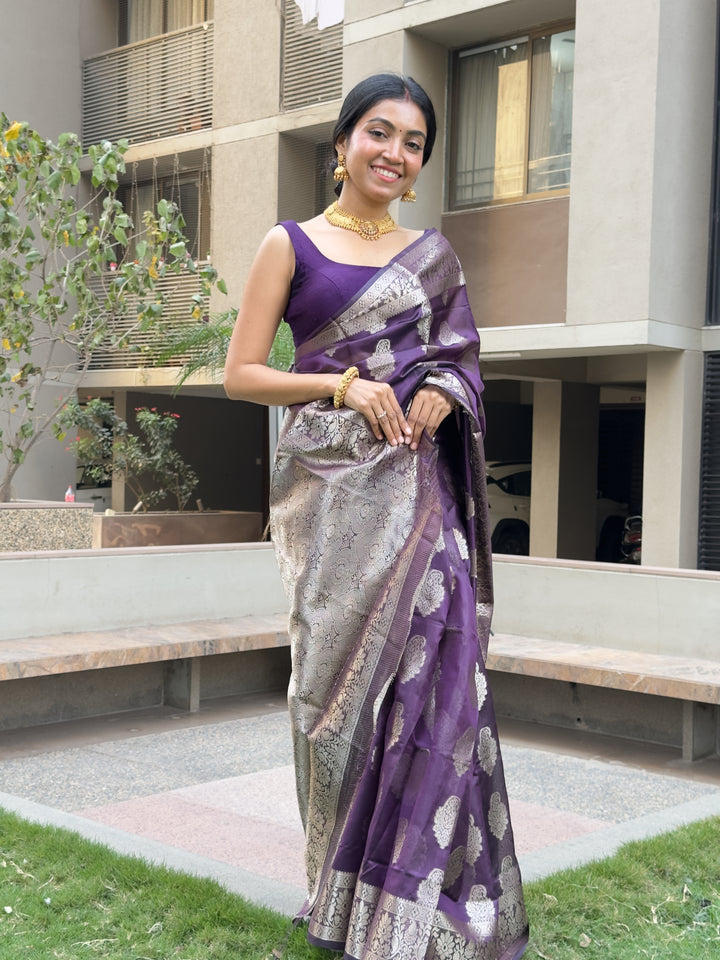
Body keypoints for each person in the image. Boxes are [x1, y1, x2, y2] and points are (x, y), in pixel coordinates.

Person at [224, 72, 529, 960]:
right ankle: (334, 892)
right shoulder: (291, 244)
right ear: (342, 145)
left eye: (415, 143)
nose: (396, 153)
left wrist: (441, 387)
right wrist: (342, 384)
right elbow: (242, 373)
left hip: (421, 500)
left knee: (439, 684)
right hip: (332, 500)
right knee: (330, 696)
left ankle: (421, 910)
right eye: (380, 133)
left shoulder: (433, 255)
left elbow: (463, 359)